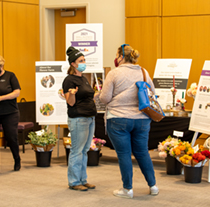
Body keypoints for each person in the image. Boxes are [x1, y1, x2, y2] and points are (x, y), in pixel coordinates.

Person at [99, 44, 159, 198]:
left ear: (120, 57)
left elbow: (104, 98)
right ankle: (153, 186)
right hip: (142, 120)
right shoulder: (144, 72)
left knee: (124, 154)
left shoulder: (114, 73)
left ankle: (128, 189)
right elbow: (153, 93)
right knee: (142, 152)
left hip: (118, 119)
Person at [62, 46, 97, 191]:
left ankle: (83, 179)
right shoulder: (69, 80)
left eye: (84, 60)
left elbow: (89, 97)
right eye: (81, 60)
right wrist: (72, 93)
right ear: (73, 64)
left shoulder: (83, 79)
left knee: (84, 151)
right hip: (78, 119)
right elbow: (70, 102)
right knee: (77, 150)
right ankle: (74, 182)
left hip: (90, 118)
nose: (84, 62)